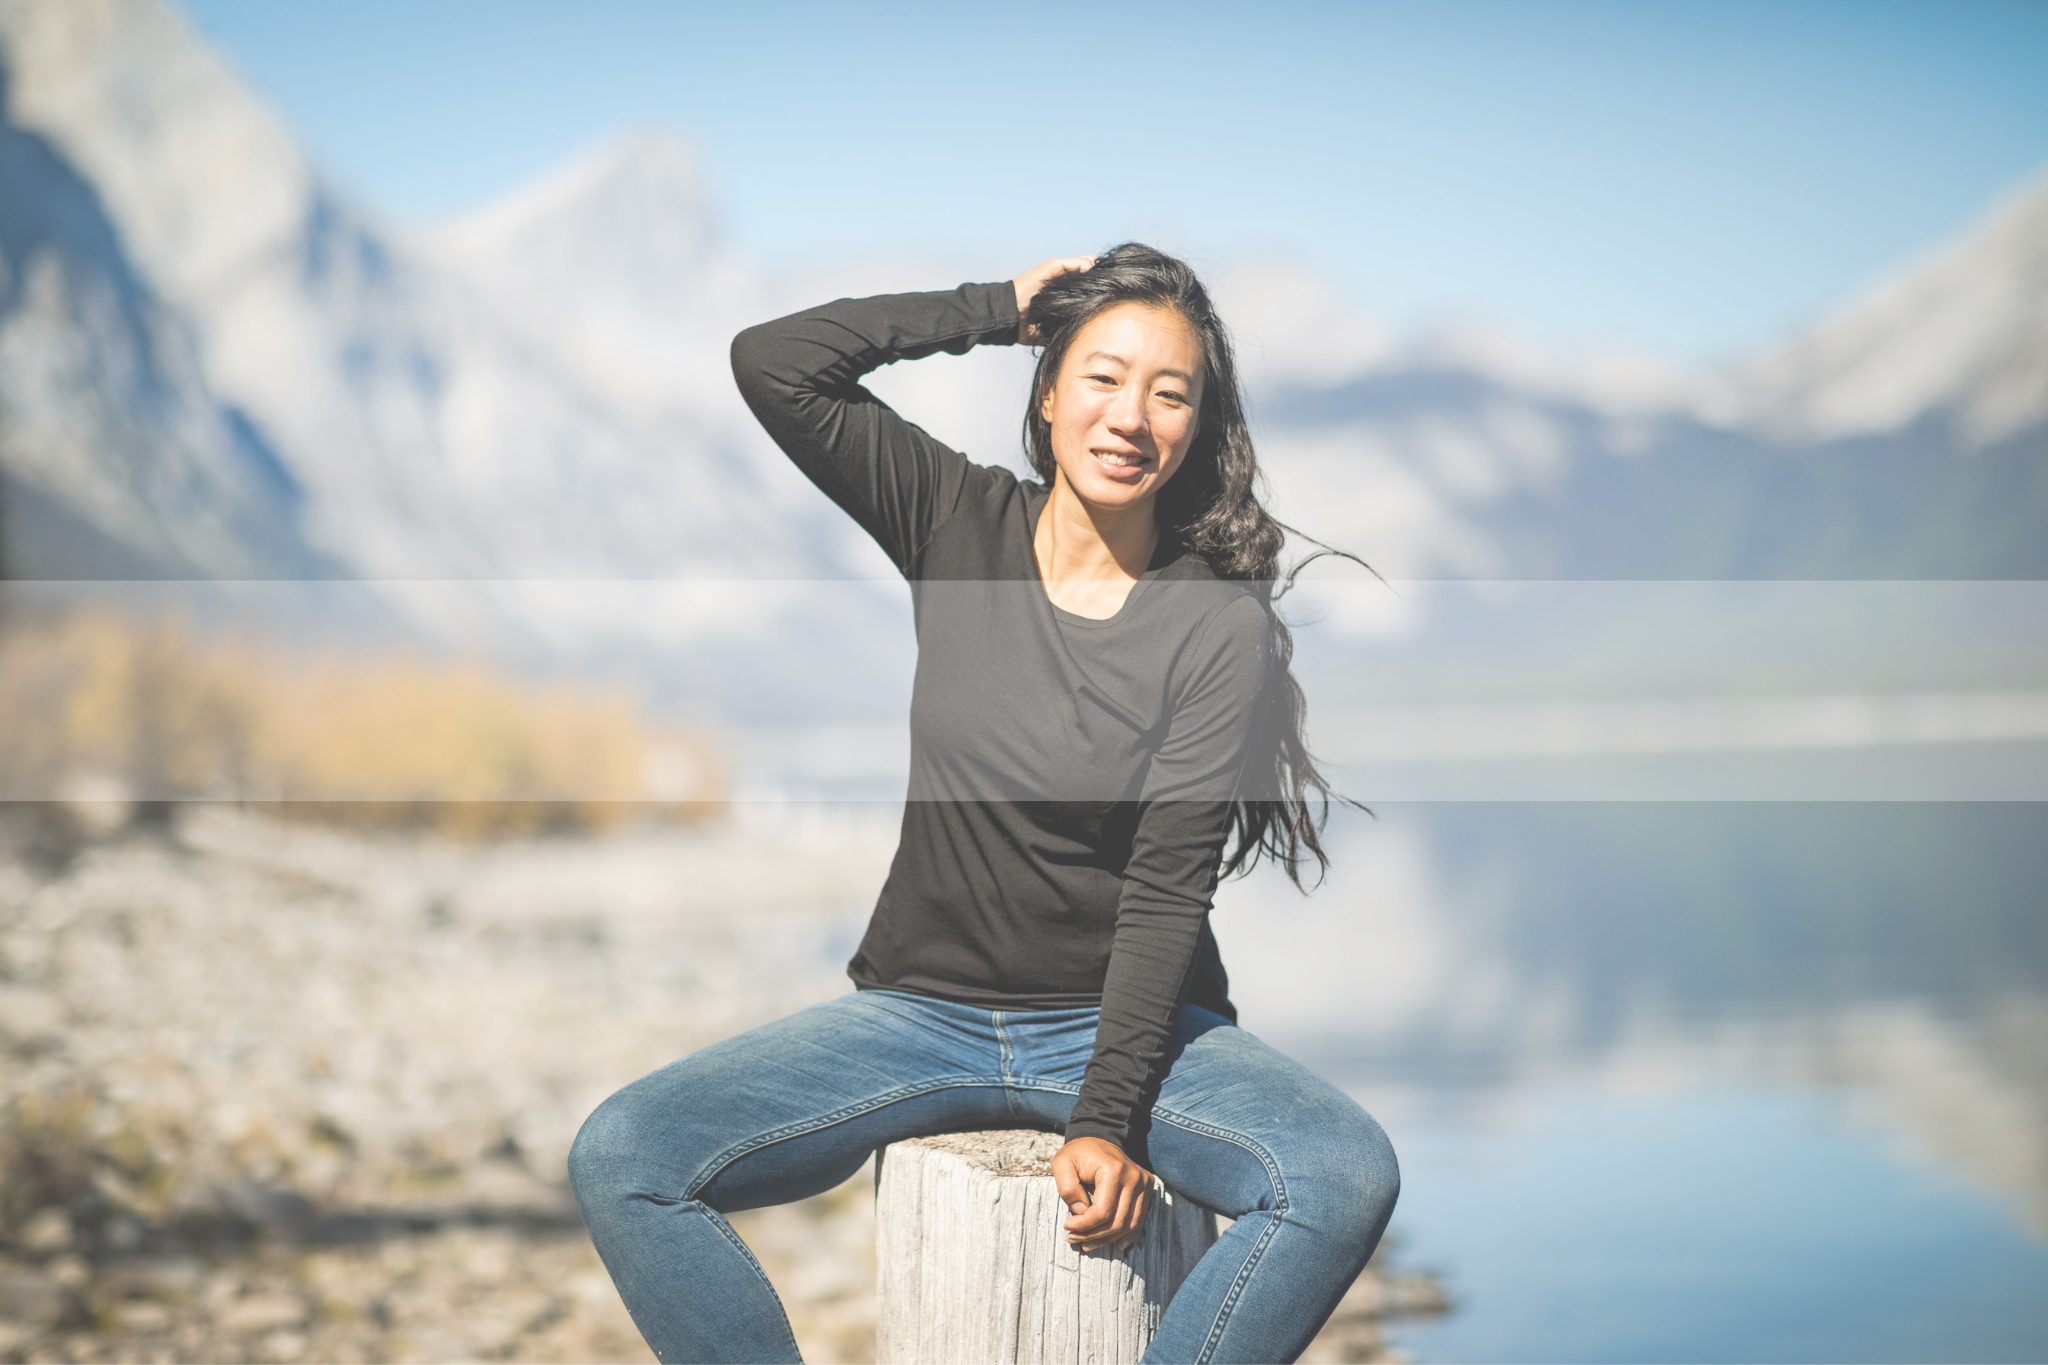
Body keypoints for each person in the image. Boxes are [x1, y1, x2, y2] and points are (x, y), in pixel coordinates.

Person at [569, 244, 1399, 1364]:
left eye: (1171, 392)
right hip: (918, 1011)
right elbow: (775, 364)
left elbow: (1165, 890)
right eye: (1101, 375)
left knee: (1341, 1173)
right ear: (1048, 391)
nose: (1130, 415)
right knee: (625, 1154)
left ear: (1198, 427)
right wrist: (1000, 306)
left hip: (1119, 1024)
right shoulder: (953, 522)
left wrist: (1107, 1114)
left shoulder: (1216, 627)